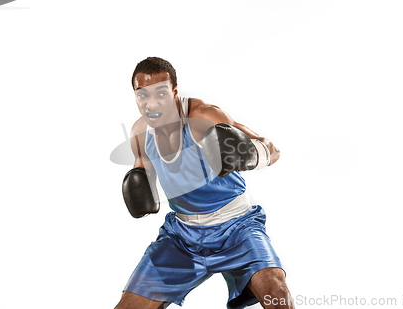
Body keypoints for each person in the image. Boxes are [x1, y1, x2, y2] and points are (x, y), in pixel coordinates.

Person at [115, 57, 294, 309]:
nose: (151, 103)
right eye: (142, 95)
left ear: (174, 91)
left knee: (277, 294)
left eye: (161, 93)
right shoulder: (140, 133)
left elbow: (271, 149)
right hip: (182, 237)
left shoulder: (203, 117)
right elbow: (143, 173)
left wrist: (251, 154)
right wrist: (138, 184)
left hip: (237, 228)